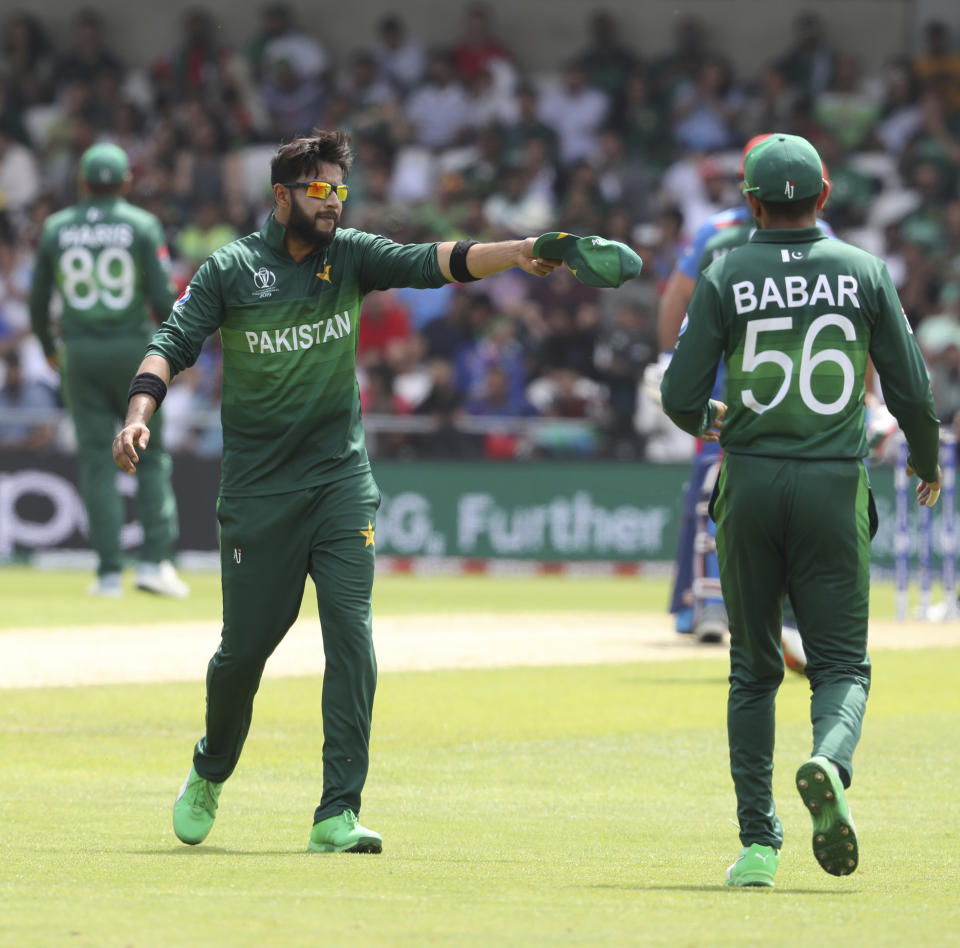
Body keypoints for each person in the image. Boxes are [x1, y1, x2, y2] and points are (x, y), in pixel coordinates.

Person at [111, 131, 563, 854]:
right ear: (282, 195)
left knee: (351, 635)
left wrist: (517, 249)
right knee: (245, 651)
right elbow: (172, 342)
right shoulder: (231, 269)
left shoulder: (348, 253)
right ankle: (210, 768)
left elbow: (433, 261)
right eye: (318, 190)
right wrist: (139, 415)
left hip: (340, 480)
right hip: (259, 491)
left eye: (339, 190)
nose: (332, 202)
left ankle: (336, 811)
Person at [661, 133, 942, 887]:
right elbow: (912, 392)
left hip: (749, 483)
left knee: (752, 671)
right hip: (831, 483)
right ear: (824, 196)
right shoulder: (864, 272)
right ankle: (829, 761)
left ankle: (758, 846)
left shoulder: (724, 271)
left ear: (751, 203)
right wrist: (926, 461)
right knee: (842, 664)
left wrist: (731, 426)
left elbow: (680, 398)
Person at [652, 133, 833, 650]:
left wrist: (669, 364)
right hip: (800, 396)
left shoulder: (716, 237)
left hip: (726, 388)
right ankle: (752, 613)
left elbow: (676, 301)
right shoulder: (823, 237)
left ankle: (707, 605)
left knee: (714, 492)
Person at [29, 142, 188, 598]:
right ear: (125, 183)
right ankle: (155, 564)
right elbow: (162, 296)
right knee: (151, 456)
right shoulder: (141, 224)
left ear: (81, 182)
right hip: (134, 348)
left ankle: (107, 573)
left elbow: (39, 302)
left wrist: (49, 349)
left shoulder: (57, 227)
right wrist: (173, 349)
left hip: (78, 351)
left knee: (98, 461)